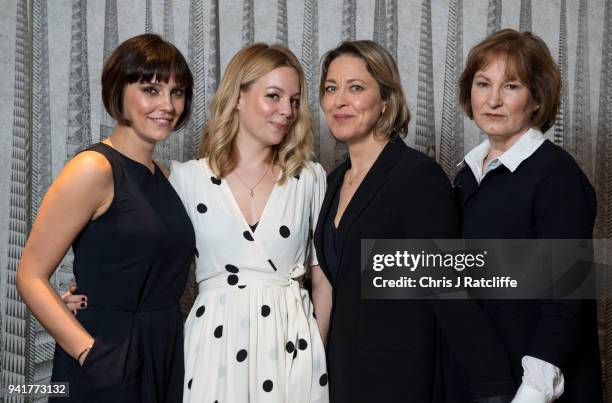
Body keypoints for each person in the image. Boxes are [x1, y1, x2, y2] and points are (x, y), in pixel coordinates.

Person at [66, 43, 330, 403]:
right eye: (273, 96)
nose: (286, 110)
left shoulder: (311, 178)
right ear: (238, 97)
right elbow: (142, 245)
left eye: (295, 100)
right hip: (213, 347)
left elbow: (324, 279)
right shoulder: (185, 179)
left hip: (292, 345)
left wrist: (317, 347)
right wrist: (89, 296)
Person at [313, 40, 516, 403]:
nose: (339, 100)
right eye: (331, 88)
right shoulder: (328, 183)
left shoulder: (416, 177)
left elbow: (451, 292)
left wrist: (493, 387)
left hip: (400, 382)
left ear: (386, 101)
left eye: (355, 87)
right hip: (340, 378)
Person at [16, 34, 195, 402]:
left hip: (164, 349)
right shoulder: (94, 167)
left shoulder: (162, 175)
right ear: (118, 90)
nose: (167, 105)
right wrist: (89, 353)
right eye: (150, 89)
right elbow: (30, 274)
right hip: (108, 352)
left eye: (176, 93)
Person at [455, 28, 602, 402]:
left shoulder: (557, 176)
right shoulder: (466, 176)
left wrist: (533, 392)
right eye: (483, 83)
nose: (492, 100)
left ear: (537, 98)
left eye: (511, 86)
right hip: (485, 377)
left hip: (535, 386)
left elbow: (566, 299)